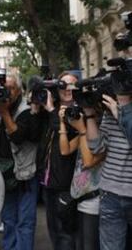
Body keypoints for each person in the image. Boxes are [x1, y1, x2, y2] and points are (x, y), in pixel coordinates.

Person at [0, 73, 41, 250]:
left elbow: (18, 136)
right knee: (9, 219)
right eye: (4, 88)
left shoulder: (27, 109)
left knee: (25, 222)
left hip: (25, 174)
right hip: (4, 174)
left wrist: (4, 112)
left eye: (11, 88)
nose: (7, 93)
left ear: (19, 90)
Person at [85, 94, 132, 250]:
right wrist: (89, 115)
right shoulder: (110, 109)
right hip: (110, 194)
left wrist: (122, 112)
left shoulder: (117, 109)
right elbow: (97, 148)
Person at [38, 72, 79, 250]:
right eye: (63, 85)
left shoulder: (80, 109)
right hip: (48, 181)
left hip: (66, 182)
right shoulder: (51, 110)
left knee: (66, 233)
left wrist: (51, 111)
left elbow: (67, 132)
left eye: (72, 85)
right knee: (53, 230)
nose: (67, 89)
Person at [58, 106, 105, 250]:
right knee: (80, 245)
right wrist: (62, 122)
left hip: (94, 200)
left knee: (90, 245)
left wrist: (83, 130)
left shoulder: (102, 138)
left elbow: (88, 161)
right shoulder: (83, 134)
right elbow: (65, 150)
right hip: (79, 198)